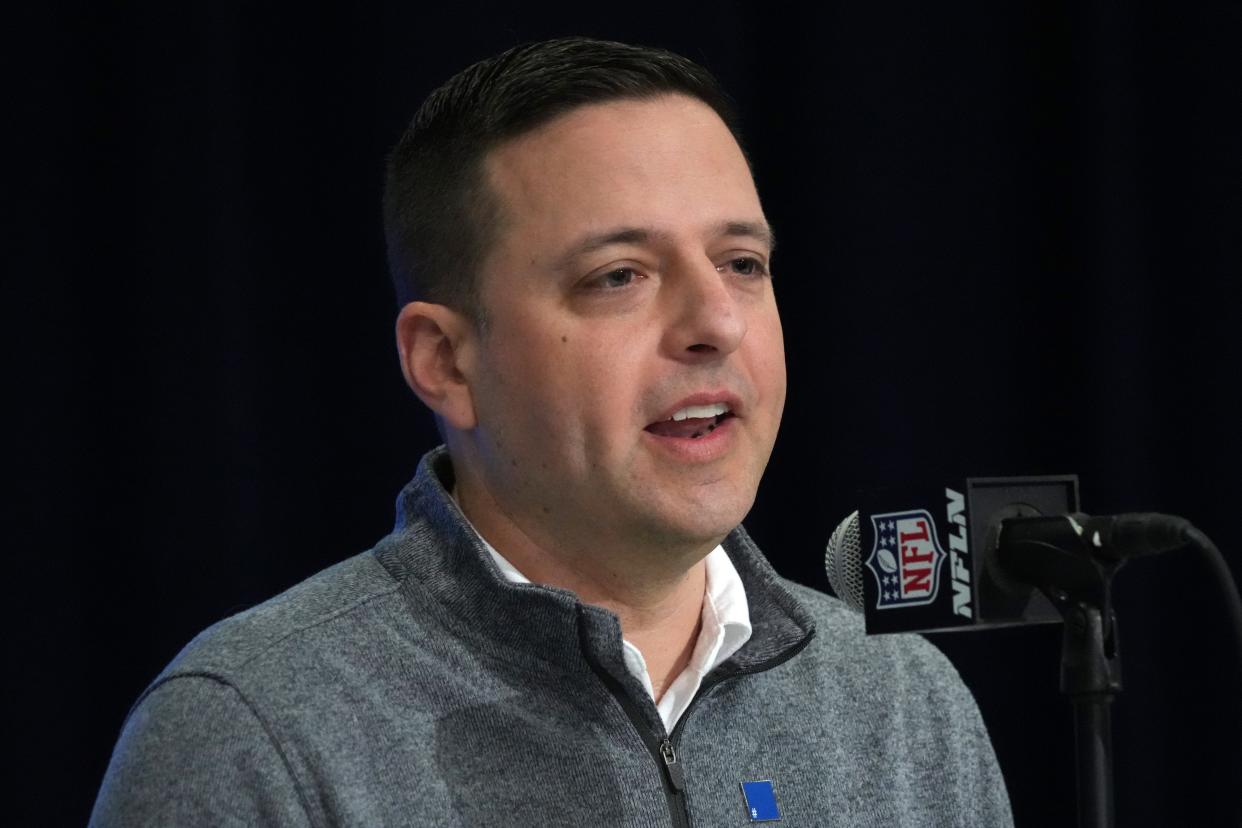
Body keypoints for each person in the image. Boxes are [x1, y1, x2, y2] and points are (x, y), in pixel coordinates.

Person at [91, 38, 1013, 826]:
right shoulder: (254, 732)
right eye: (618, 276)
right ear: (445, 362)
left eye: (741, 262)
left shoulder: (898, 704)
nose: (715, 322)